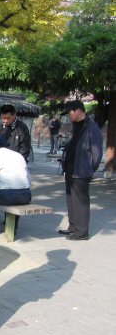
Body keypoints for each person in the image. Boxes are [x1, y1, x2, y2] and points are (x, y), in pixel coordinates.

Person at [58, 100, 103, 241]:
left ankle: (82, 232)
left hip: (82, 169)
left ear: (78, 110)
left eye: (70, 112)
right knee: (71, 198)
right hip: (70, 167)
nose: (69, 116)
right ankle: (73, 227)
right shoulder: (75, 125)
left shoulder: (91, 127)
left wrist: (90, 168)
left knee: (80, 201)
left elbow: (97, 152)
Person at [0, 135, 31, 230]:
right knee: (10, 189)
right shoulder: (18, 155)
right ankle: (13, 226)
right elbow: (29, 178)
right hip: (26, 195)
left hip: (7, 196)